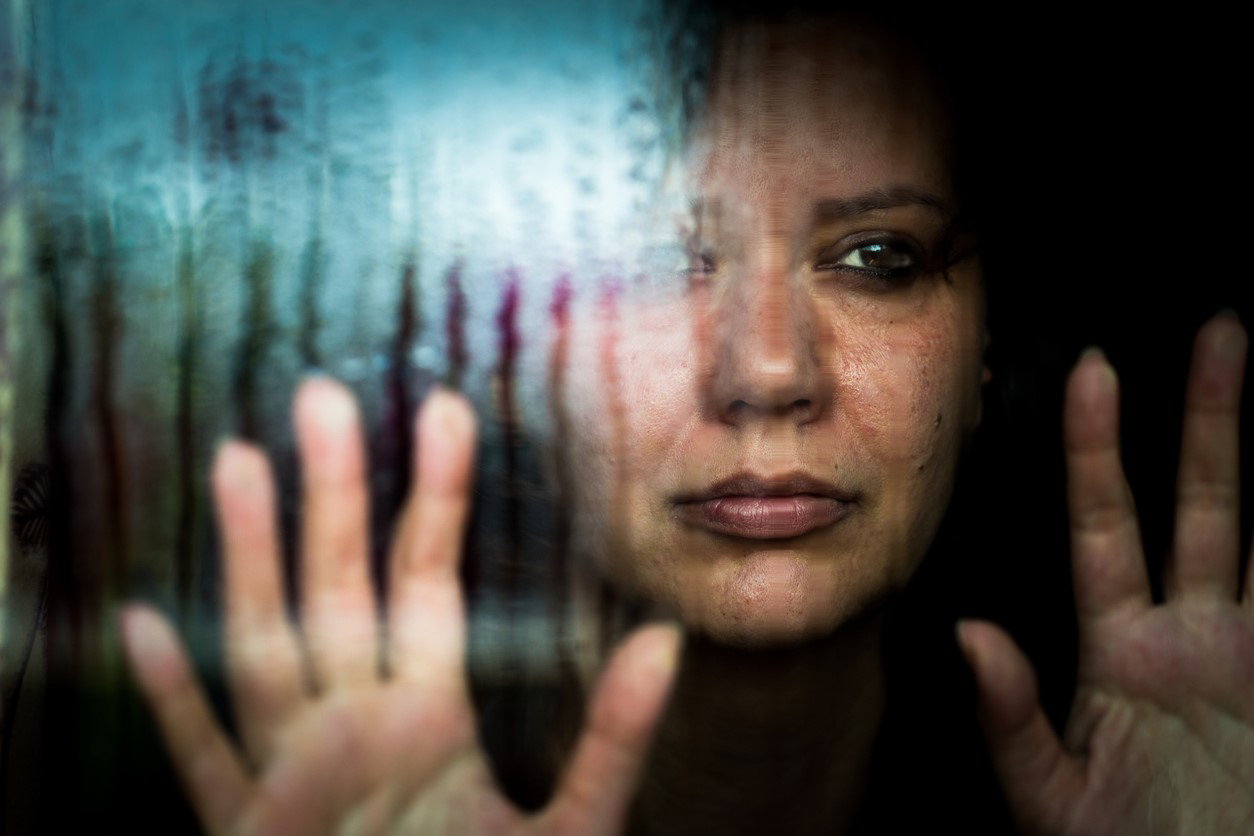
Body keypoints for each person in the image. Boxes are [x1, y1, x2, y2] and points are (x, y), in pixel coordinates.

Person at [119, 6, 1254, 835]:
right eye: (652, 263)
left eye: (876, 257)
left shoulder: (1128, 790)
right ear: (512, 351)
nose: (766, 370)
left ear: (985, 342)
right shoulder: (307, 787)